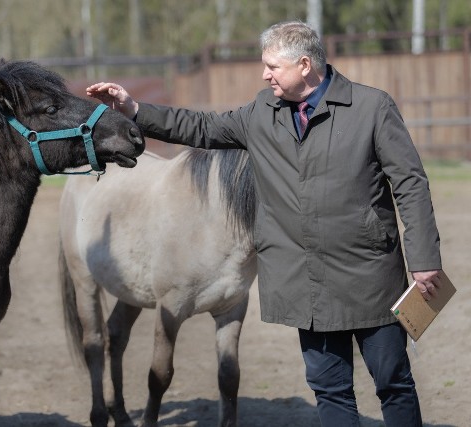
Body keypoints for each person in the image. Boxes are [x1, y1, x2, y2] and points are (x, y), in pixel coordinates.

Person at [86, 20, 443, 427]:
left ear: (305, 65)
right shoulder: (263, 111)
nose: (264, 74)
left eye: (273, 66)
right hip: (305, 283)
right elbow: (201, 128)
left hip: (369, 276)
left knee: (393, 383)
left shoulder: (371, 108)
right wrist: (134, 109)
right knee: (330, 390)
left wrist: (424, 258)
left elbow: (410, 184)